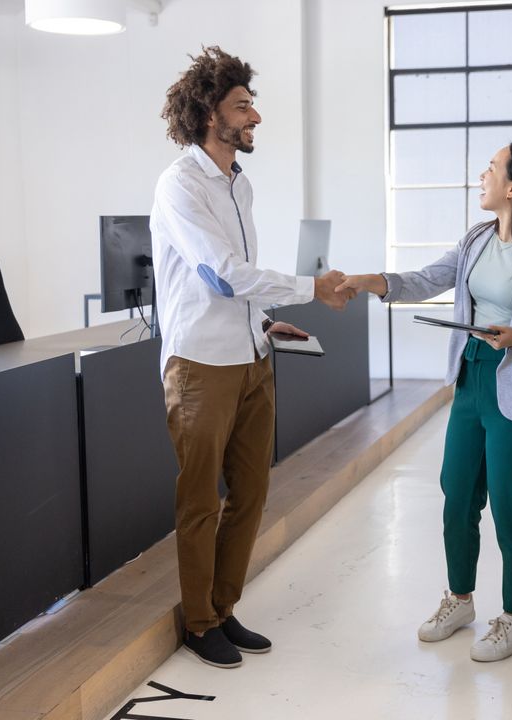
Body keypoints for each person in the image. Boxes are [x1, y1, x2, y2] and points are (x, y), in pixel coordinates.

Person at [336, 142, 512, 662]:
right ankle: (460, 598)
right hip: (471, 377)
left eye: (492, 168)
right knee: (456, 493)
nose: (482, 175)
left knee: (510, 505)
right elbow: (427, 279)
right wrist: (370, 282)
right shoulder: (475, 239)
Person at [151, 46, 352, 669]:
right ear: (209, 114)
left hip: (251, 353)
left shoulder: (241, 183)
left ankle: (224, 607)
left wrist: (267, 320)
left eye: (252, 105)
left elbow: (235, 289)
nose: (255, 117)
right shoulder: (180, 184)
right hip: (202, 366)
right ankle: (199, 621)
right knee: (200, 500)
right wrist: (310, 288)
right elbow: (220, 274)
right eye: (242, 107)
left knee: (253, 491)